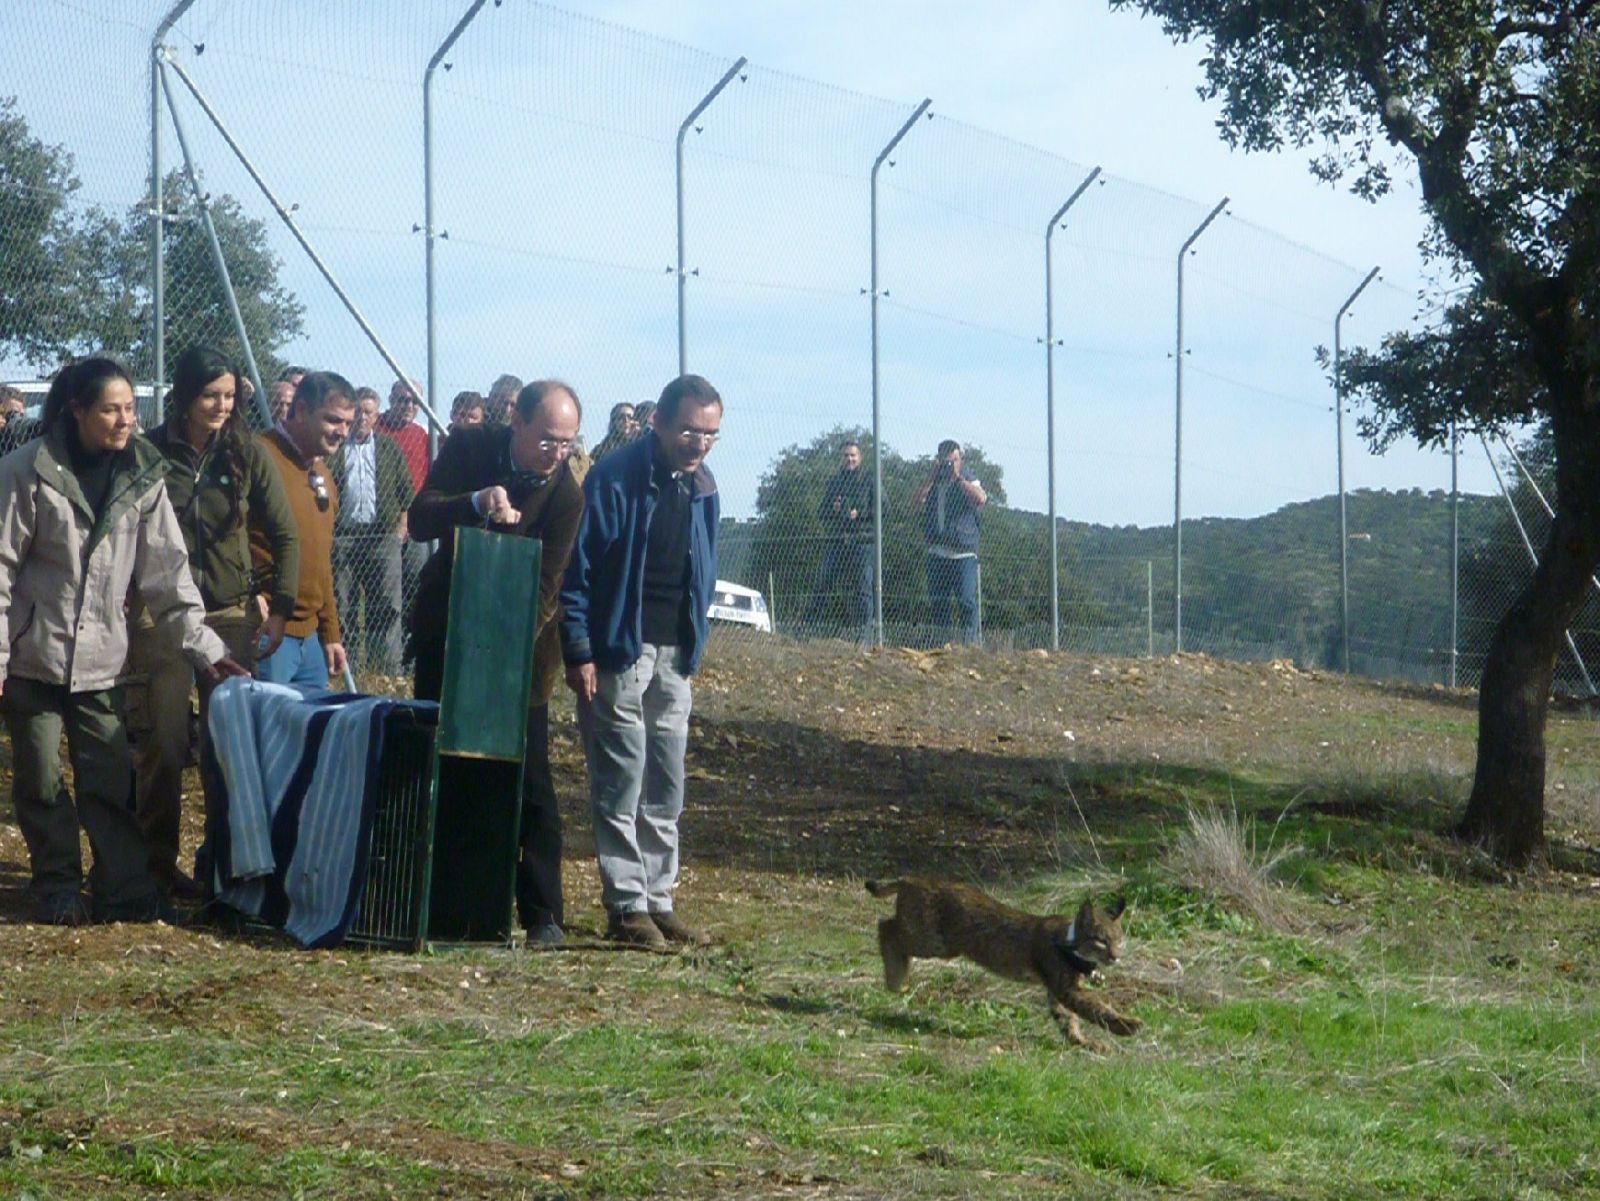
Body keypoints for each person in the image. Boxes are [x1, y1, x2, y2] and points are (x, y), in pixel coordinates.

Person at [0, 357, 247, 925]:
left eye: (131, 409)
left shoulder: (142, 477)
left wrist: (207, 649)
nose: (125, 421)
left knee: (110, 782)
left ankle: (124, 893)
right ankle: (59, 886)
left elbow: (168, 575)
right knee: (40, 780)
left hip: (102, 660)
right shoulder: (25, 472)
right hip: (33, 656)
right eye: (111, 410)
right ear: (77, 411)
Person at [408, 380, 585, 948]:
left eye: (567, 442)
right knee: (440, 763)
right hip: (446, 632)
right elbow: (420, 518)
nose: (557, 453)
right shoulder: (469, 448)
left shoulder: (566, 496)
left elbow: (547, 590)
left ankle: (543, 913)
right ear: (517, 423)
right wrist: (476, 502)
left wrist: (497, 654)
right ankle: (438, 901)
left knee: (530, 775)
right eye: (548, 439)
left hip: (520, 654)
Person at [127, 345, 301, 898]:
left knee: (229, 747)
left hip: (230, 614)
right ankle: (155, 869)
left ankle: (225, 868)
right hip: (162, 615)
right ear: (184, 395)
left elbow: (285, 533)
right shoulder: (149, 453)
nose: (222, 406)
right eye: (210, 395)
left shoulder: (247, 453)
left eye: (229, 396)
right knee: (165, 743)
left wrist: (283, 606)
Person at [561, 374, 722, 950]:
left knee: (666, 782)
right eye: (689, 430)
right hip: (620, 653)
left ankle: (659, 898)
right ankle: (627, 907)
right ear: (658, 423)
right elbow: (577, 571)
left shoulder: (703, 487)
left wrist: (693, 641)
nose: (699, 443)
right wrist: (580, 650)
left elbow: (702, 569)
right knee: (621, 780)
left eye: (710, 434)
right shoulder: (614, 478)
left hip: (675, 656)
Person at [251, 371, 353, 691]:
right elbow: (227, 535)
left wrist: (330, 634)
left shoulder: (323, 473)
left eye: (348, 423)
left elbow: (322, 561)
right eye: (333, 420)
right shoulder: (258, 455)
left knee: (311, 724)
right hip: (268, 631)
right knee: (268, 723)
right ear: (301, 410)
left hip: (310, 643)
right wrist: (248, 594)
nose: (342, 432)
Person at [329, 387, 414, 674]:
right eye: (358, 412)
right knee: (343, 603)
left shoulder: (389, 449)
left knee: (388, 606)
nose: (362, 418)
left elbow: (406, 495)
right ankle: (346, 668)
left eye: (368, 412)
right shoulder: (336, 448)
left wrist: (400, 532)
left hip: (382, 538)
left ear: (377, 417)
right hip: (344, 538)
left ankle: (385, 668)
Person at [912, 438, 987, 644]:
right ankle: (942, 643)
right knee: (939, 603)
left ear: (960, 459)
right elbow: (917, 501)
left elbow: (981, 498)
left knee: (966, 601)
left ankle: (969, 645)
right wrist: (931, 476)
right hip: (937, 552)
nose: (952, 464)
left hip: (964, 552)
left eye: (955, 460)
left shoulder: (968, 477)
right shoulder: (934, 481)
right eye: (948, 461)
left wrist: (958, 479)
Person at [801, 439, 874, 640]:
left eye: (853, 455)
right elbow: (822, 512)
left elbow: (884, 510)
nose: (849, 459)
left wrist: (860, 514)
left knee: (863, 589)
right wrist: (834, 509)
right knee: (823, 583)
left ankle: (865, 637)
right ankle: (805, 630)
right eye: (846, 455)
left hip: (863, 542)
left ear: (860, 457)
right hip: (838, 541)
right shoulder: (835, 482)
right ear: (841, 458)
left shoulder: (870, 481)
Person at [376, 378, 431, 614]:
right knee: (383, 586)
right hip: (385, 519)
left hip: (415, 516)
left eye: (415, 401)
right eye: (403, 400)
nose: (409, 406)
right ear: (391, 400)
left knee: (415, 577)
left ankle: (410, 628)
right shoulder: (376, 428)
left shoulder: (423, 435)